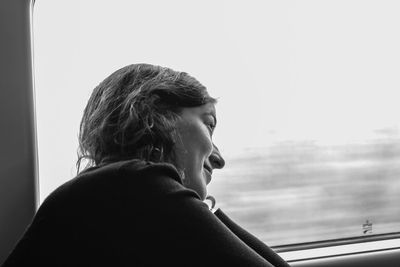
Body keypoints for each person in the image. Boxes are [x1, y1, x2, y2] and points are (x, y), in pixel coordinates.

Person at [2, 64, 290, 266]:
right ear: (160, 113)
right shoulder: (133, 185)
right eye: (209, 124)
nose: (218, 157)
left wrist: (203, 208)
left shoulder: (114, 196)